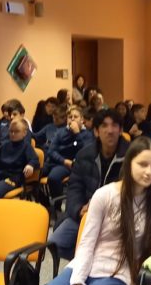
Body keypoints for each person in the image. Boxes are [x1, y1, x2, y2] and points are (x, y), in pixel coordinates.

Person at [43, 136, 151, 285]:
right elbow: (87, 242)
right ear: (129, 164)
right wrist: (77, 282)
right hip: (85, 265)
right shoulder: (105, 195)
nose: (149, 172)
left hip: (119, 273)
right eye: (143, 164)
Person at [49, 109, 129, 259]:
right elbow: (74, 187)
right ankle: (89, 261)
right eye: (104, 126)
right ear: (97, 132)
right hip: (86, 213)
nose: (110, 131)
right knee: (54, 244)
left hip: (115, 218)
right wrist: (79, 209)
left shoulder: (131, 156)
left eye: (114, 126)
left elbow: (131, 193)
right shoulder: (84, 154)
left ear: (121, 130)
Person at [43, 105, 93, 200]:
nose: (72, 119)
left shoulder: (87, 134)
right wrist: (63, 160)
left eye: (76, 117)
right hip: (56, 161)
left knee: (53, 177)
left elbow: (86, 151)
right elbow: (51, 150)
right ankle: (44, 203)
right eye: (70, 117)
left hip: (69, 165)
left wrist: (77, 133)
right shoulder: (61, 132)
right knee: (35, 173)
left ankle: (56, 207)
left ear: (82, 120)